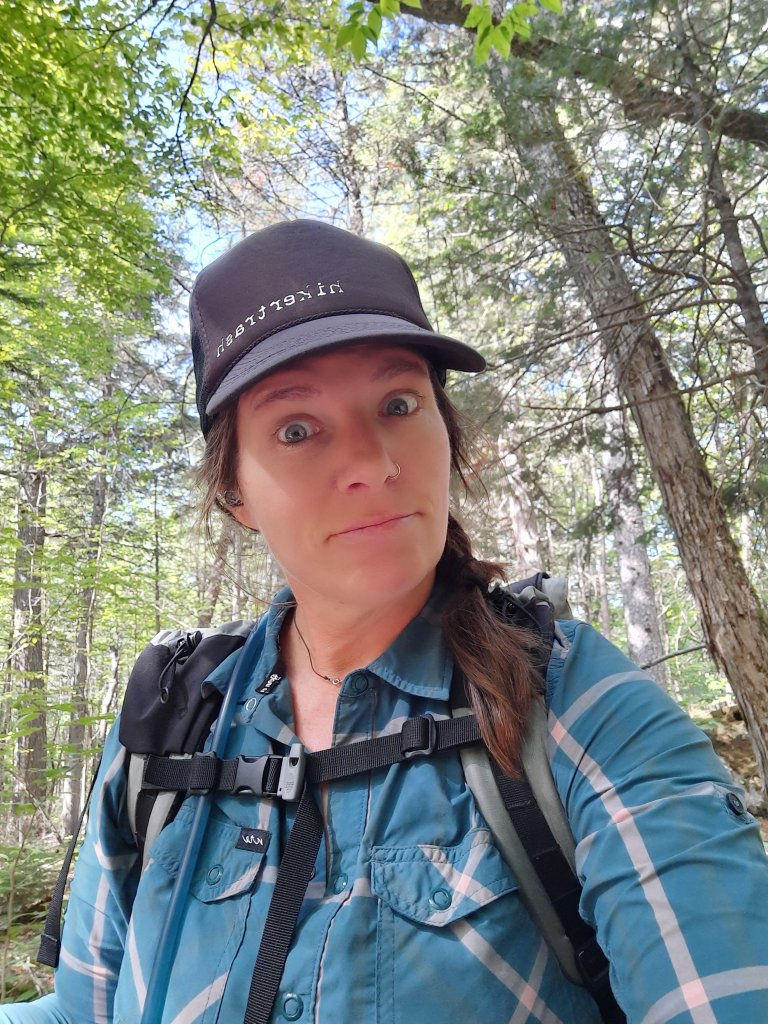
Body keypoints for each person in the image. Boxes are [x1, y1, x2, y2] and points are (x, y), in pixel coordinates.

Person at [3, 219, 767, 1024]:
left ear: (447, 432)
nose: (372, 461)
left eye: (398, 404)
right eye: (297, 429)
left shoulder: (572, 701)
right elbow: (82, 1012)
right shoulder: (174, 716)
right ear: (234, 491)